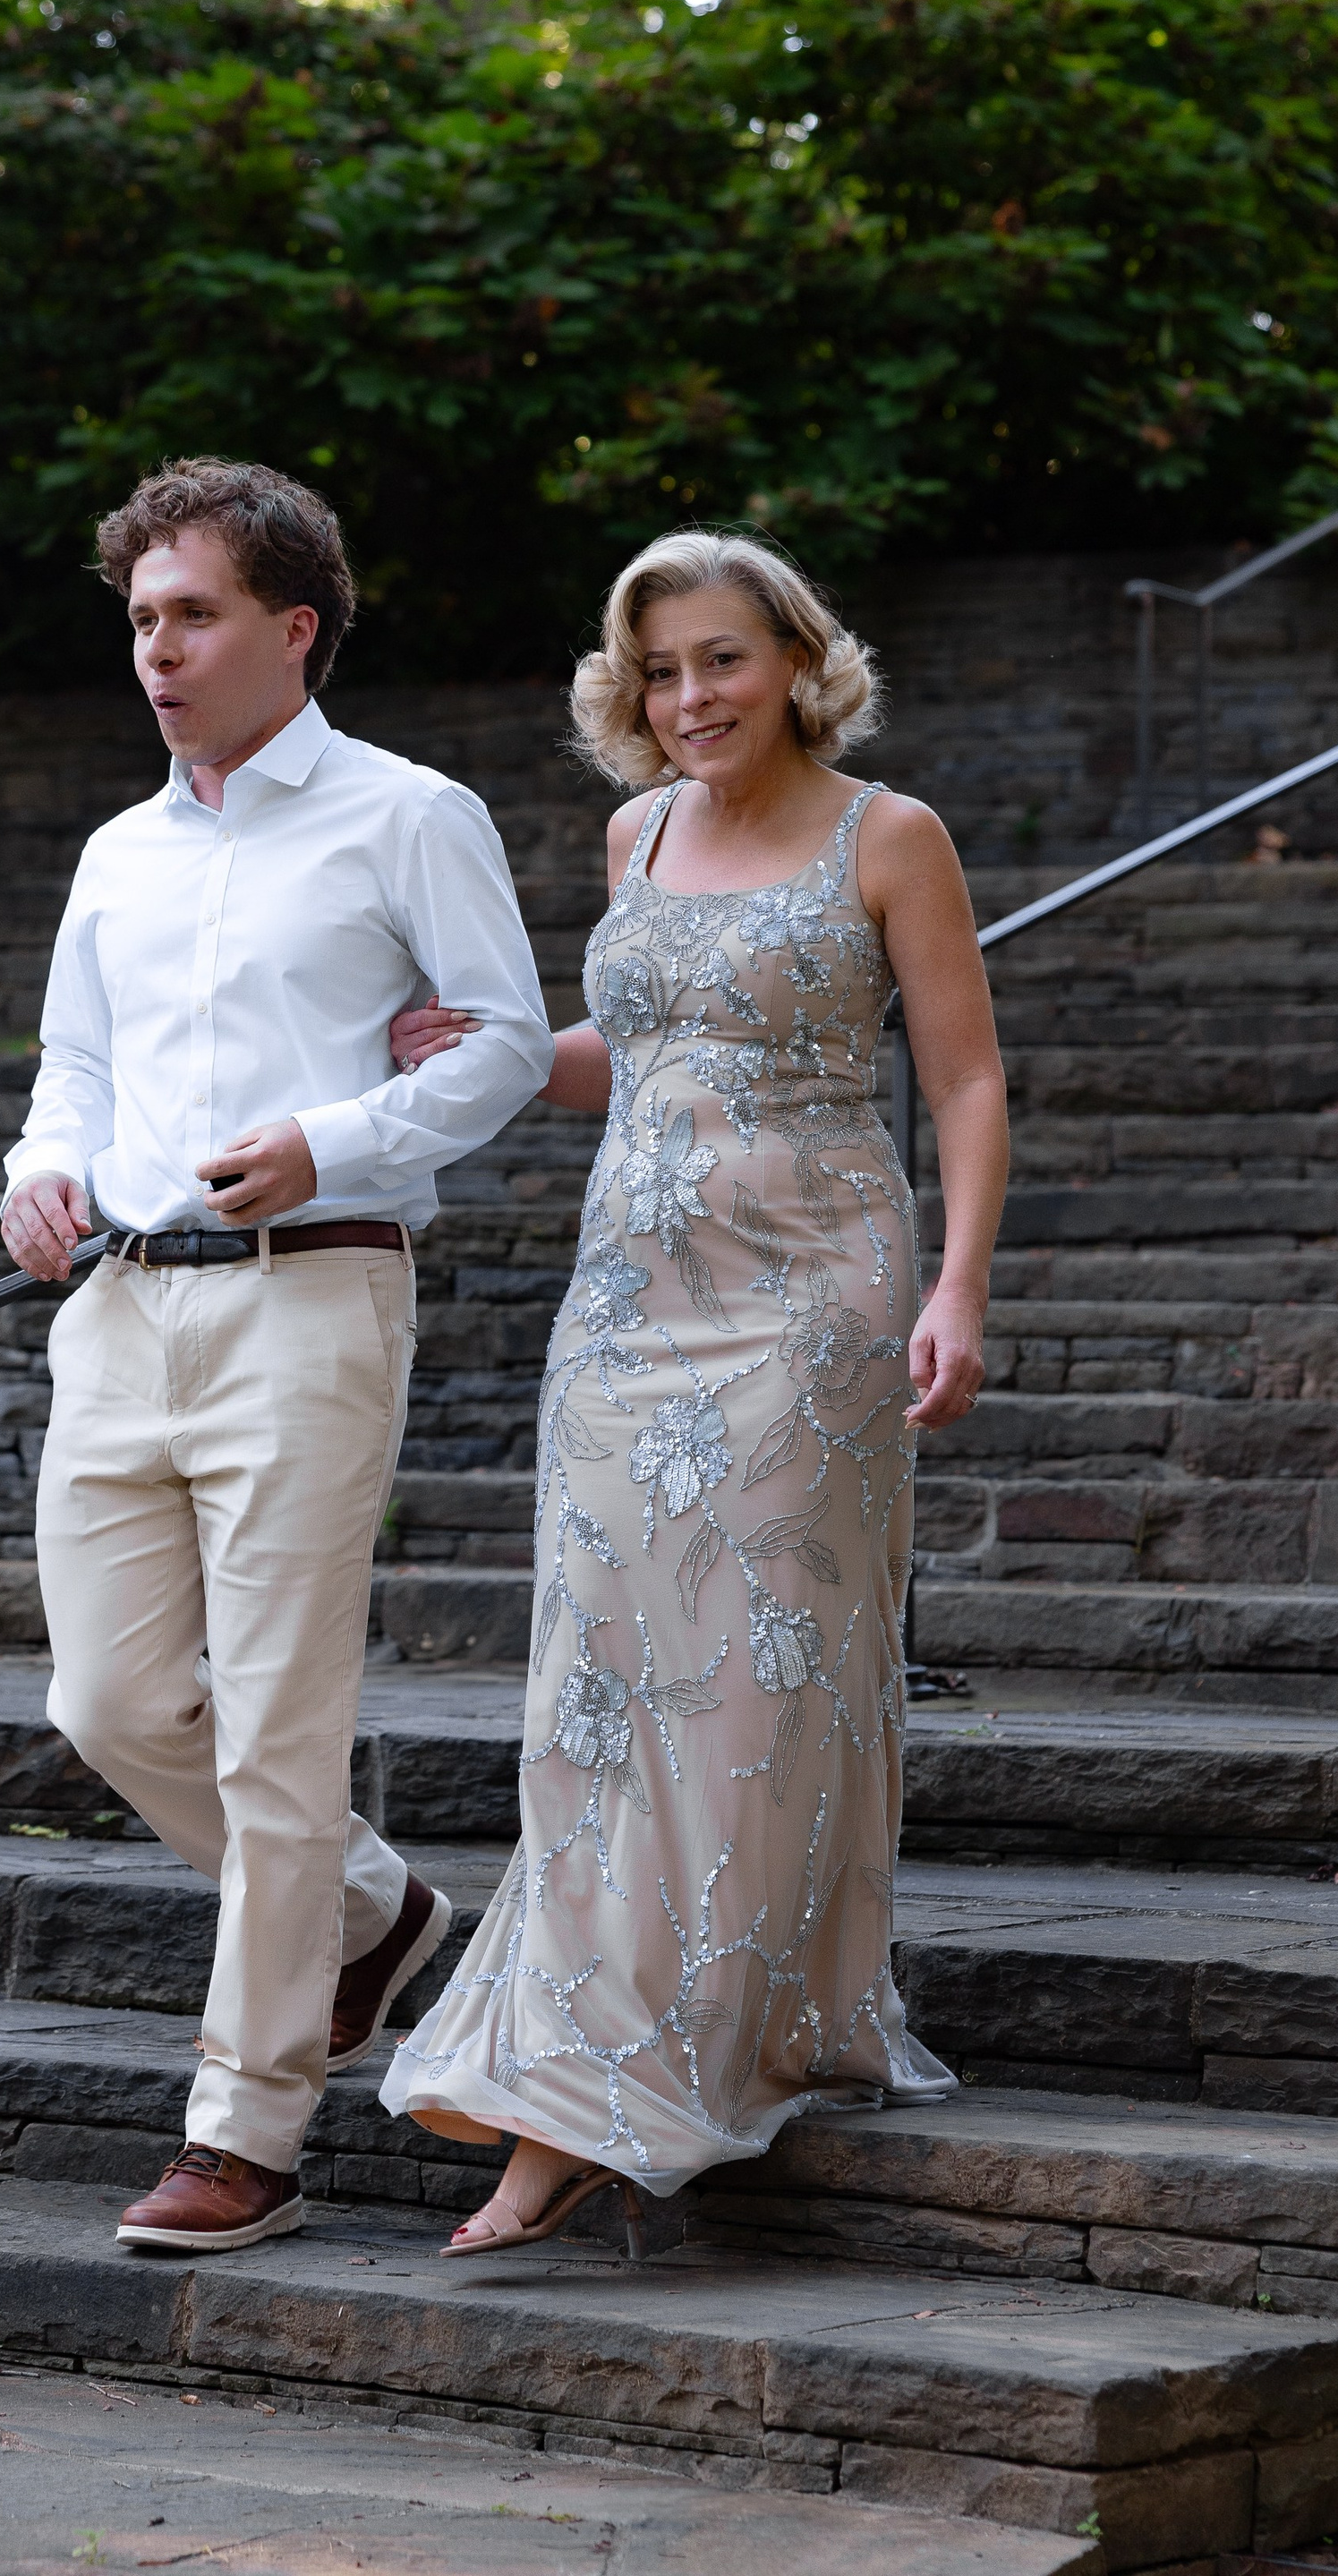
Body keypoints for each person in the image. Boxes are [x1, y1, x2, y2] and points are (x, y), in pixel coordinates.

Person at [377, 530, 1006, 2256]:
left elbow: (962, 1079)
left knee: (752, 1684)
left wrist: (956, 1288)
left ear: (797, 659)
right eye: (659, 670)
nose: (689, 696)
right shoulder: (636, 835)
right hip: (627, 1307)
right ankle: (588, 2067)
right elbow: (641, 1055)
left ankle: (692, 2050)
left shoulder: (891, 835)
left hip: (813, 1303)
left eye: (722, 658)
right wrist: (500, 1052)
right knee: (598, 1681)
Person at [1, 458, 555, 2256]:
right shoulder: (117, 851)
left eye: (194, 614)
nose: (156, 649)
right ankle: (374, 1913)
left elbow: (503, 1042)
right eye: (140, 618)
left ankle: (244, 2131)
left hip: (311, 1297)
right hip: (117, 1309)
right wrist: (38, 1167)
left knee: (276, 1736)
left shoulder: (410, 815)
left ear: (292, 627)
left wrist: (337, 1140)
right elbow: (74, 1067)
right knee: (103, 1701)